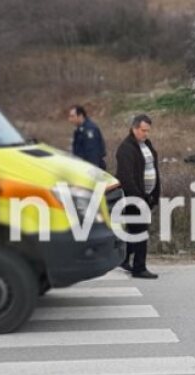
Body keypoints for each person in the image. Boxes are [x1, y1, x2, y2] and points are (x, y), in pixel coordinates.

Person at [114, 114, 159, 279]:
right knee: (140, 232)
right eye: (143, 130)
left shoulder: (146, 144)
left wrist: (154, 194)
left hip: (146, 197)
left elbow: (153, 168)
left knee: (134, 230)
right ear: (134, 128)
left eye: (148, 131)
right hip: (134, 198)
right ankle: (139, 268)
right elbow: (126, 178)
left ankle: (124, 259)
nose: (146, 134)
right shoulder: (126, 148)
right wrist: (139, 199)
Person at [68, 105, 106, 169]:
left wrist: (91, 170)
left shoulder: (90, 130)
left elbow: (93, 154)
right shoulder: (80, 129)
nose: (70, 119)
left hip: (90, 168)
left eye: (72, 116)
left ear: (80, 116)